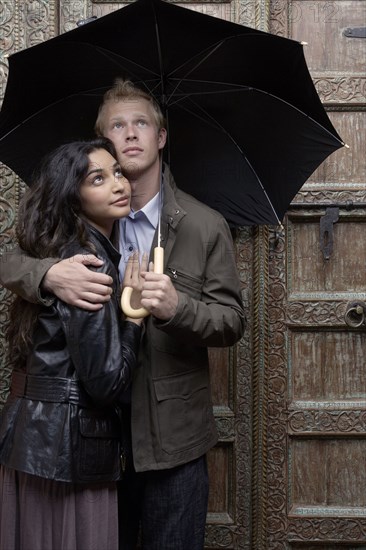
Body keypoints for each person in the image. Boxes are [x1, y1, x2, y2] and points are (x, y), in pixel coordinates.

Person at [0, 79, 246, 549]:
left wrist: (178, 308)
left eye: (141, 123)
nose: (130, 133)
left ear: (162, 137)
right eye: (117, 125)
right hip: (93, 437)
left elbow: (232, 321)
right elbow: (10, 262)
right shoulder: (80, 217)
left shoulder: (204, 225)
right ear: (102, 141)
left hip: (172, 440)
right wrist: (50, 275)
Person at [0, 138, 147, 550]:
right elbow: (104, 384)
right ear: (73, 196)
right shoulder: (89, 265)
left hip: (32, 442)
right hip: (67, 452)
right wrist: (134, 320)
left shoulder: (63, 251)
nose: (118, 183)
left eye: (117, 172)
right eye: (97, 179)